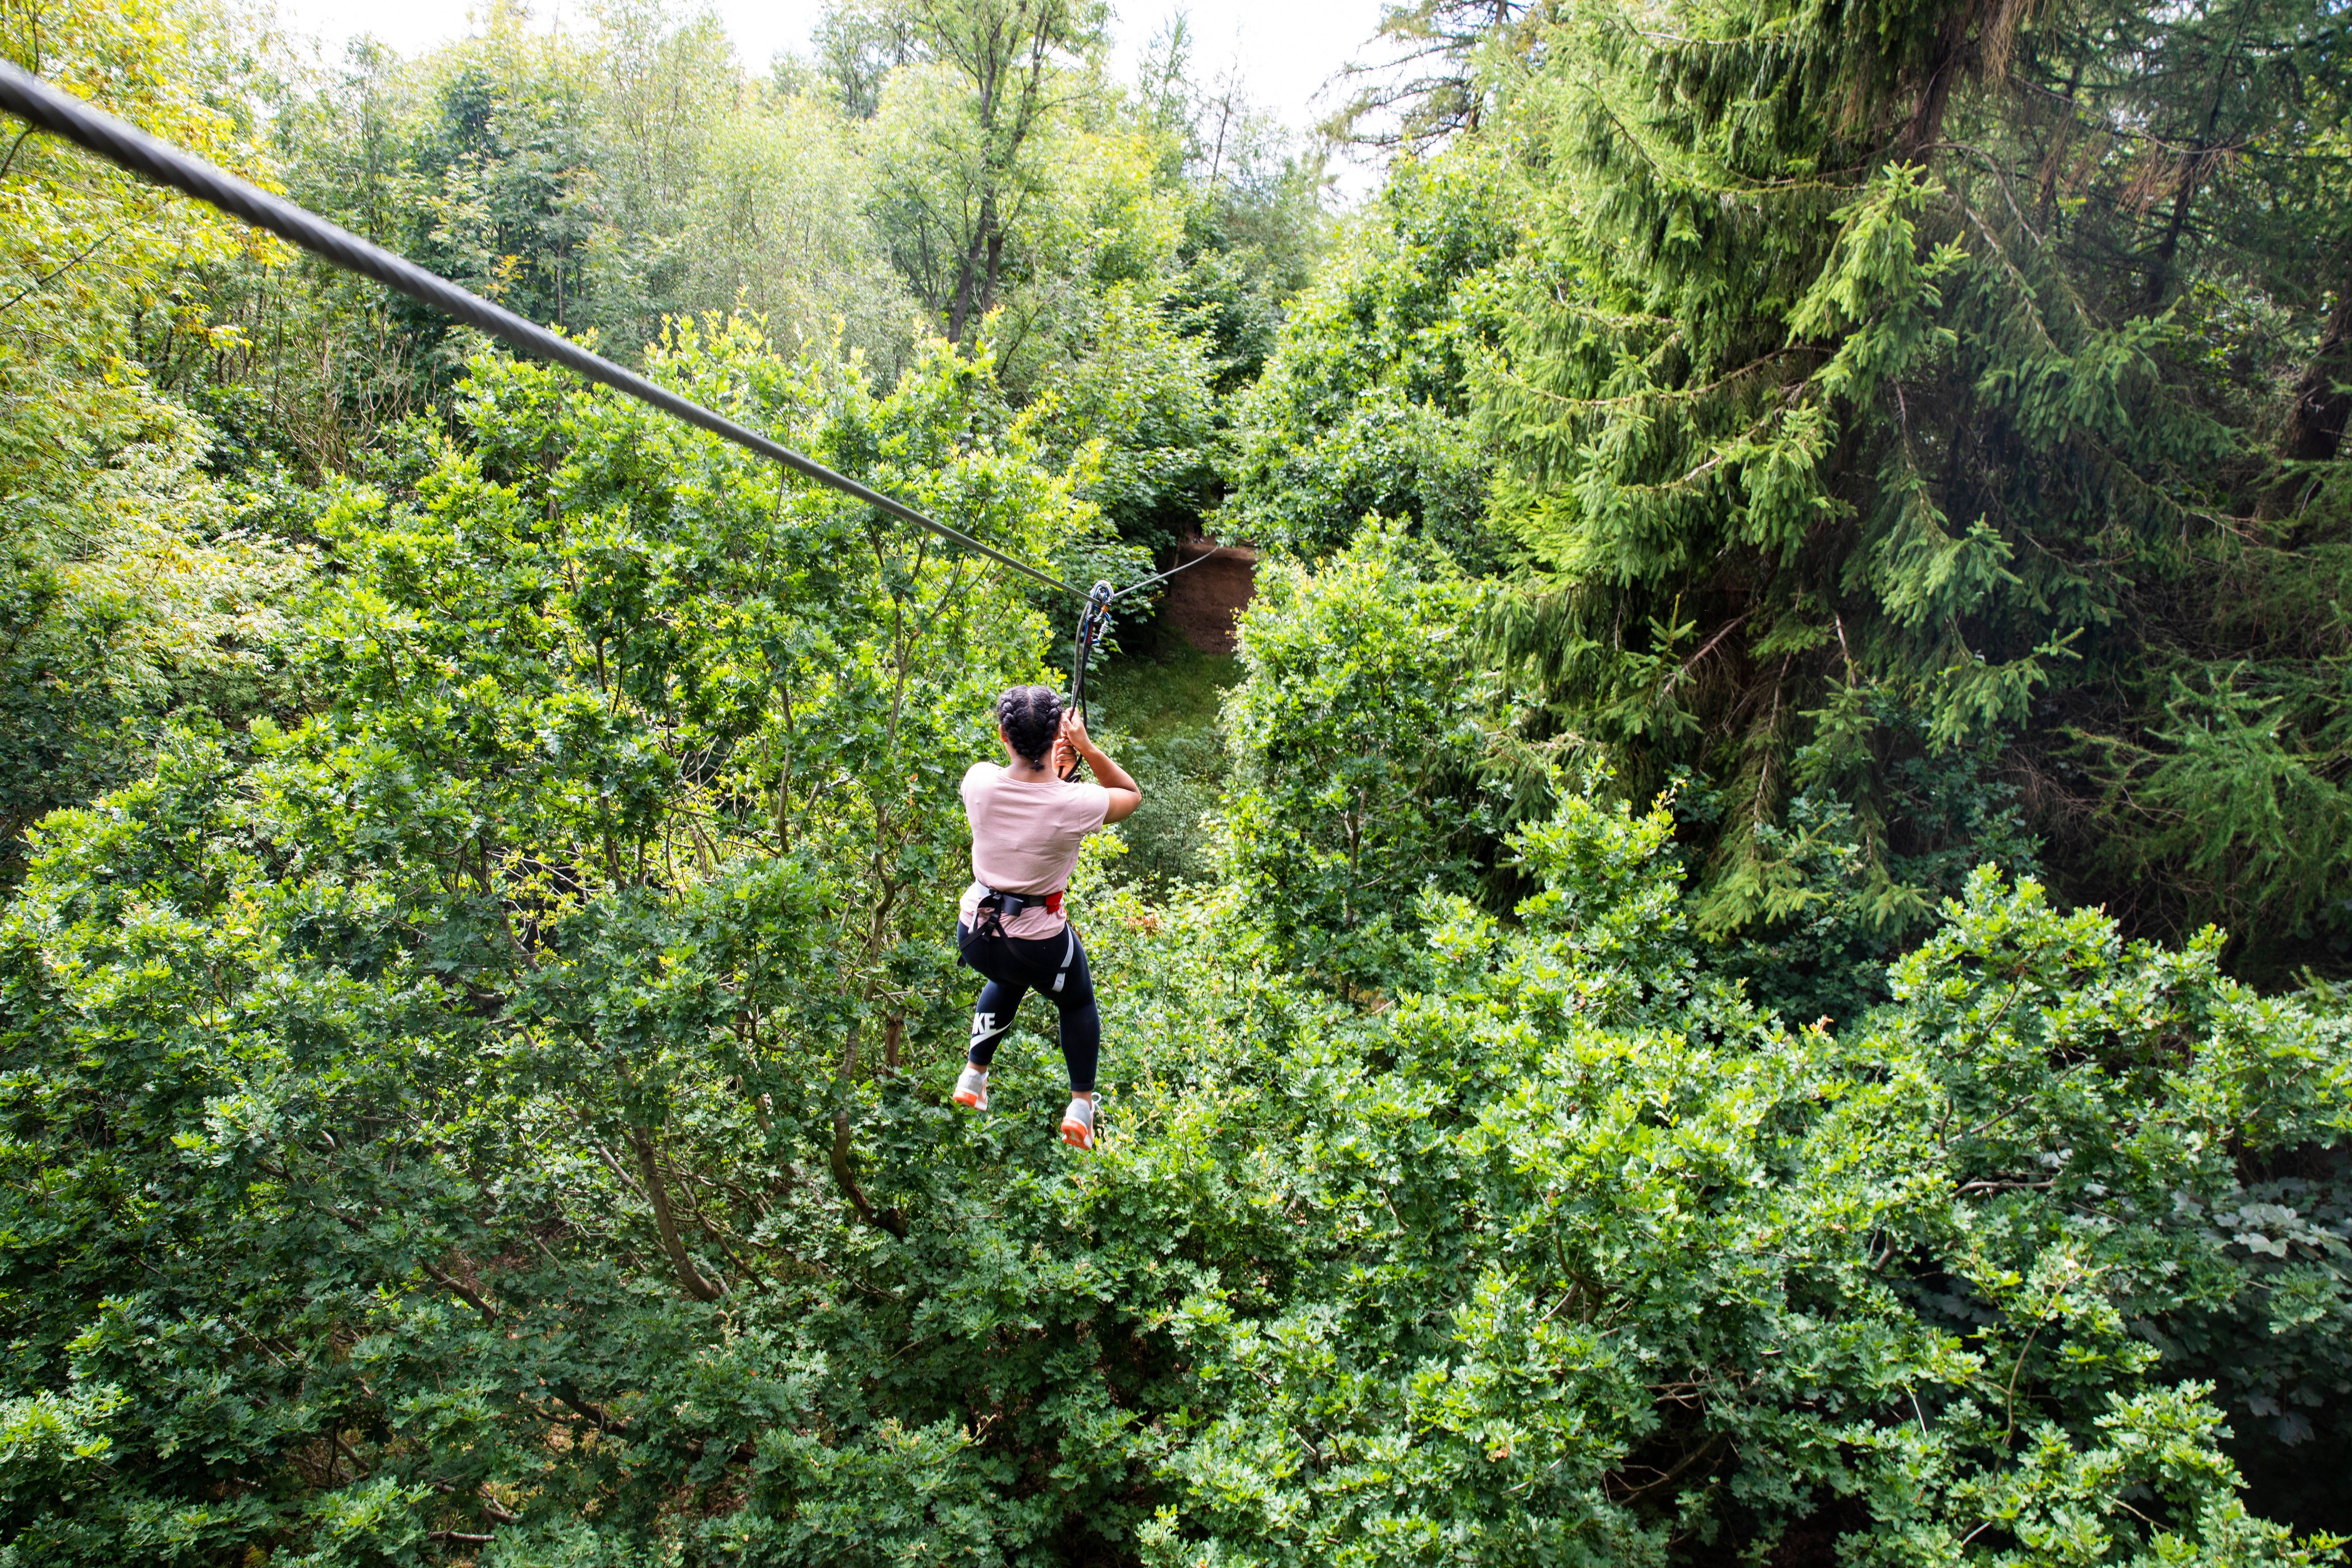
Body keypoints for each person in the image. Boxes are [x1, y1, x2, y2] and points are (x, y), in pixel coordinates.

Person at [951, 685, 1140, 1150]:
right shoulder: (1076, 805)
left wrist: (1054, 771)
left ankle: (974, 1075)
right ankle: (1080, 1106)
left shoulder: (978, 781)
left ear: (1003, 735)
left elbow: (1022, 804)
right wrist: (1087, 749)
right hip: (1037, 944)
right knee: (1076, 1002)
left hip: (976, 935)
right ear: (1060, 730)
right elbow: (1130, 795)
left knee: (1009, 976)